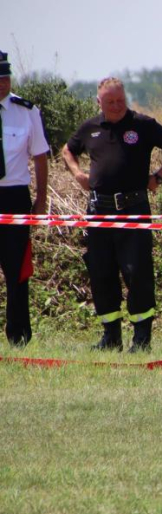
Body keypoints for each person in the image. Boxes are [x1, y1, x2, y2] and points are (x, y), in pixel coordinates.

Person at [62, 77, 162, 352]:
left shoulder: (142, 124)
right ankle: (111, 337)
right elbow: (67, 150)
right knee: (101, 272)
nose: (117, 106)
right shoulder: (91, 128)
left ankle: (141, 339)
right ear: (99, 102)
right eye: (110, 102)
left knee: (137, 272)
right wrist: (78, 174)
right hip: (98, 211)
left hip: (133, 209)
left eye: (120, 100)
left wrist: (159, 177)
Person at [0, 51, 49, 347]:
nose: (2, 84)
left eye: (5, 78)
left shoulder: (26, 110)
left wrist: (41, 198)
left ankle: (18, 335)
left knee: (17, 269)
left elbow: (41, 157)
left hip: (14, 196)